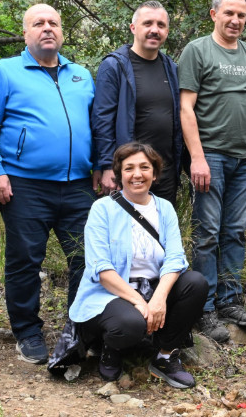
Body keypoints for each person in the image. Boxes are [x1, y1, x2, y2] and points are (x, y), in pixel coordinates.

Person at [0, 3, 96, 364]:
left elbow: (97, 124)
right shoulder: (5, 71)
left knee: (87, 258)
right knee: (25, 260)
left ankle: (80, 326)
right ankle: (27, 331)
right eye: (38, 24)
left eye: (54, 23)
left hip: (79, 185)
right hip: (24, 184)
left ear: (63, 32)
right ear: (25, 33)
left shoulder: (81, 75)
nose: (47, 29)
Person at [177, 0, 246, 343]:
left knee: (235, 231)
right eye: (229, 13)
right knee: (207, 234)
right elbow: (186, 108)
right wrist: (197, 158)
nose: (235, 20)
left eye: (241, 15)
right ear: (214, 13)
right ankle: (203, 309)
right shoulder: (198, 50)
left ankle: (230, 300)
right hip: (211, 157)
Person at [70, 143, 207, 387]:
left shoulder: (164, 208)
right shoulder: (102, 209)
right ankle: (110, 349)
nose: (137, 174)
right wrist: (140, 302)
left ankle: (165, 355)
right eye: (129, 168)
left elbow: (176, 258)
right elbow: (101, 269)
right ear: (119, 174)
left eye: (145, 167)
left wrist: (159, 299)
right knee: (131, 322)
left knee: (195, 283)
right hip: (111, 293)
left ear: (154, 174)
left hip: (153, 288)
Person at [92, 1, 184, 206]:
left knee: (160, 234)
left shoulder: (171, 68)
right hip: (129, 173)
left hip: (164, 173)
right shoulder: (114, 66)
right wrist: (108, 166)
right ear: (133, 28)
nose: (154, 30)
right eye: (148, 23)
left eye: (161, 25)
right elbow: (102, 120)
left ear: (167, 31)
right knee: (126, 234)